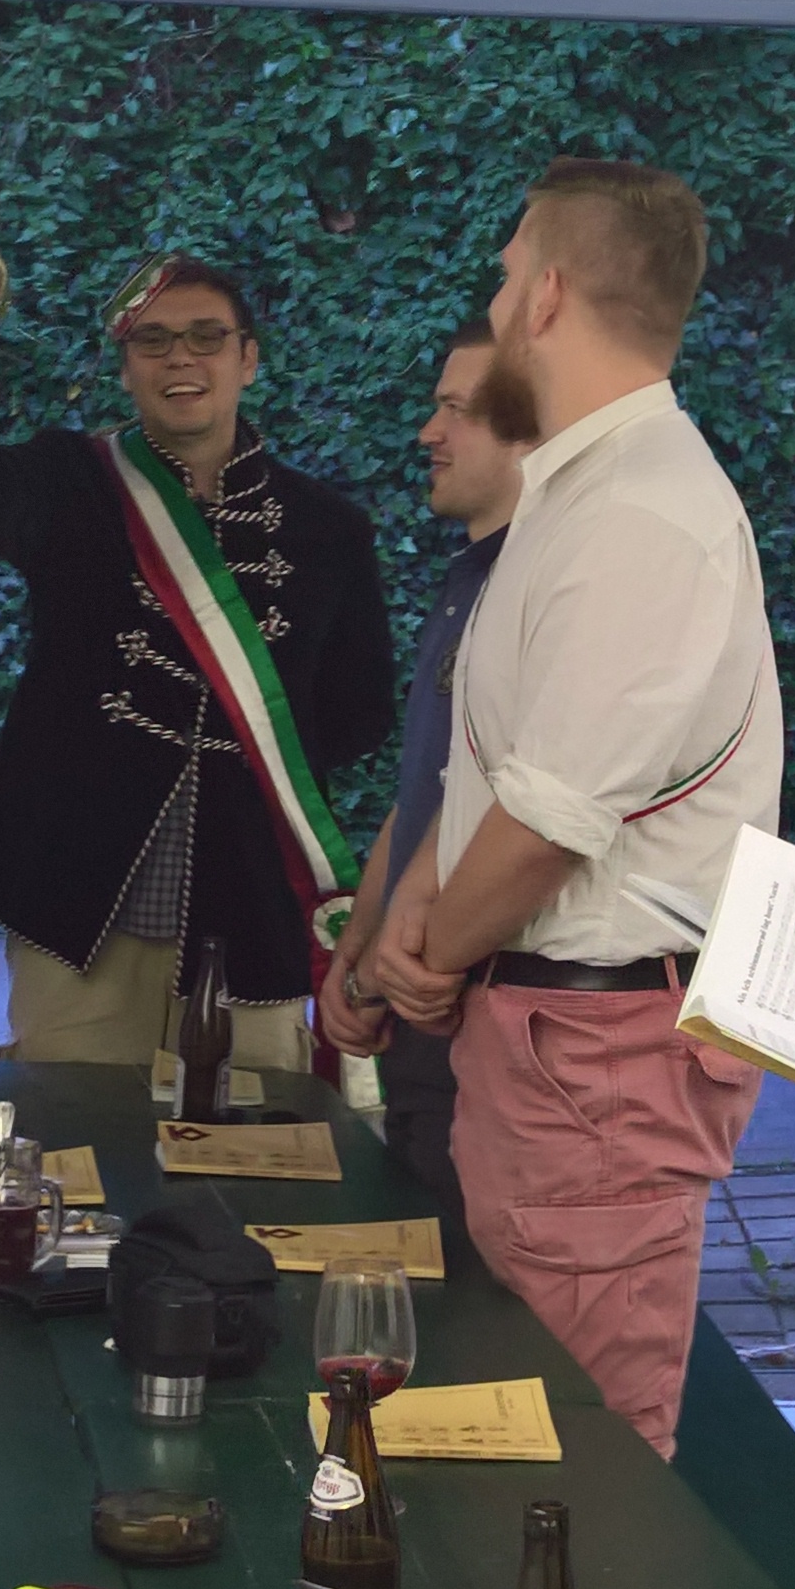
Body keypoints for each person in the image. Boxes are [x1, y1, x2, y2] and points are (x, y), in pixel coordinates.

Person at [359, 162, 779, 1456]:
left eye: (502, 279)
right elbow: (495, 762)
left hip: (594, 1059)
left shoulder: (643, 512)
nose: (493, 305)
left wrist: (423, 956)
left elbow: (549, 823)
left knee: (580, 1465)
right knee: (512, 1436)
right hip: (548, 1044)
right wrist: (414, 911)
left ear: (544, 296)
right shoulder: (578, 494)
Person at [0, 252, 396, 1074]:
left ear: (248, 359)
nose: (180, 357)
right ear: (126, 368)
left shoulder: (328, 528)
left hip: (249, 904)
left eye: (206, 337)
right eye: (152, 341)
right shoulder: (68, 482)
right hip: (78, 899)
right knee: (71, 1133)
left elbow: (360, 710)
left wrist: (241, 756)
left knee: (252, 1136)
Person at [317, 327, 523, 1217]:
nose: (426, 433)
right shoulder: (469, 580)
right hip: (420, 1015)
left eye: (456, 410)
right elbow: (424, 797)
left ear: (529, 430)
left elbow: (514, 815)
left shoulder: (532, 593)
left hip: (463, 1015)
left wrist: (385, 972)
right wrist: (354, 952)